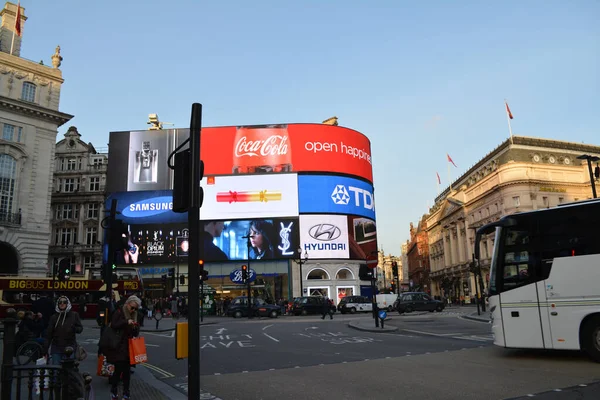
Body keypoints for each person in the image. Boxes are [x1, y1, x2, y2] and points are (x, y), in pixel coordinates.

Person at [104, 295, 141, 400]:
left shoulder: (135, 315)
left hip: (128, 348)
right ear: (127, 304)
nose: (133, 310)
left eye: (136, 308)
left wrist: (134, 326)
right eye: (132, 307)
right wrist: (126, 322)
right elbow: (114, 324)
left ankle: (126, 392)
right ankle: (114, 391)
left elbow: (136, 333)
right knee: (118, 371)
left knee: (127, 372)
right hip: (118, 346)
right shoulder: (119, 312)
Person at [43, 296, 83, 365]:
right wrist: (45, 349)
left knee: (68, 369)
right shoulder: (54, 317)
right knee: (55, 369)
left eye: (64, 302)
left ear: (68, 304)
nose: (62, 304)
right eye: (60, 302)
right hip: (56, 348)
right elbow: (49, 334)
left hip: (70, 348)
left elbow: (80, 329)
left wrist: (74, 328)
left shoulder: (74, 315)